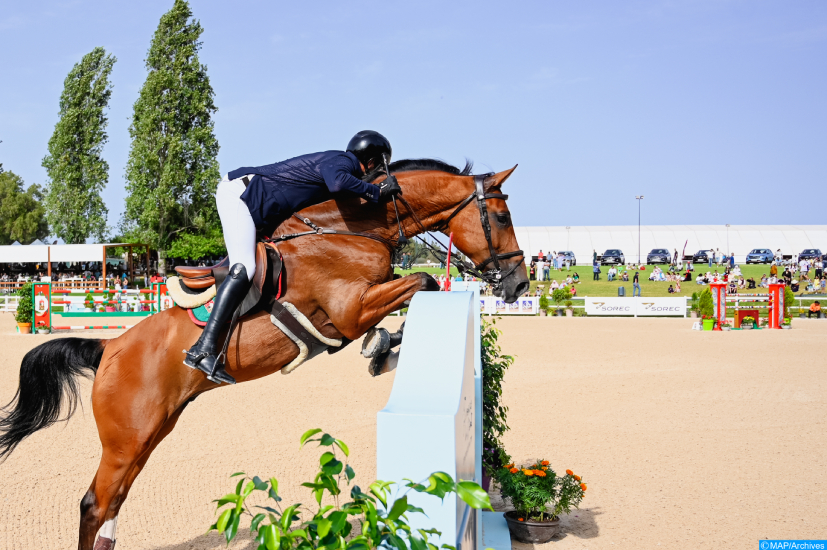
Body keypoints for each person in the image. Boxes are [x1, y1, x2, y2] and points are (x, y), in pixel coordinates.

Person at [184, 130, 400, 385]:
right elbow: (338, 183)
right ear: (372, 162)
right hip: (240, 195)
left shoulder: (339, 164)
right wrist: (376, 192)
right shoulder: (343, 162)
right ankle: (203, 348)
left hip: (256, 203)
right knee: (245, 268)